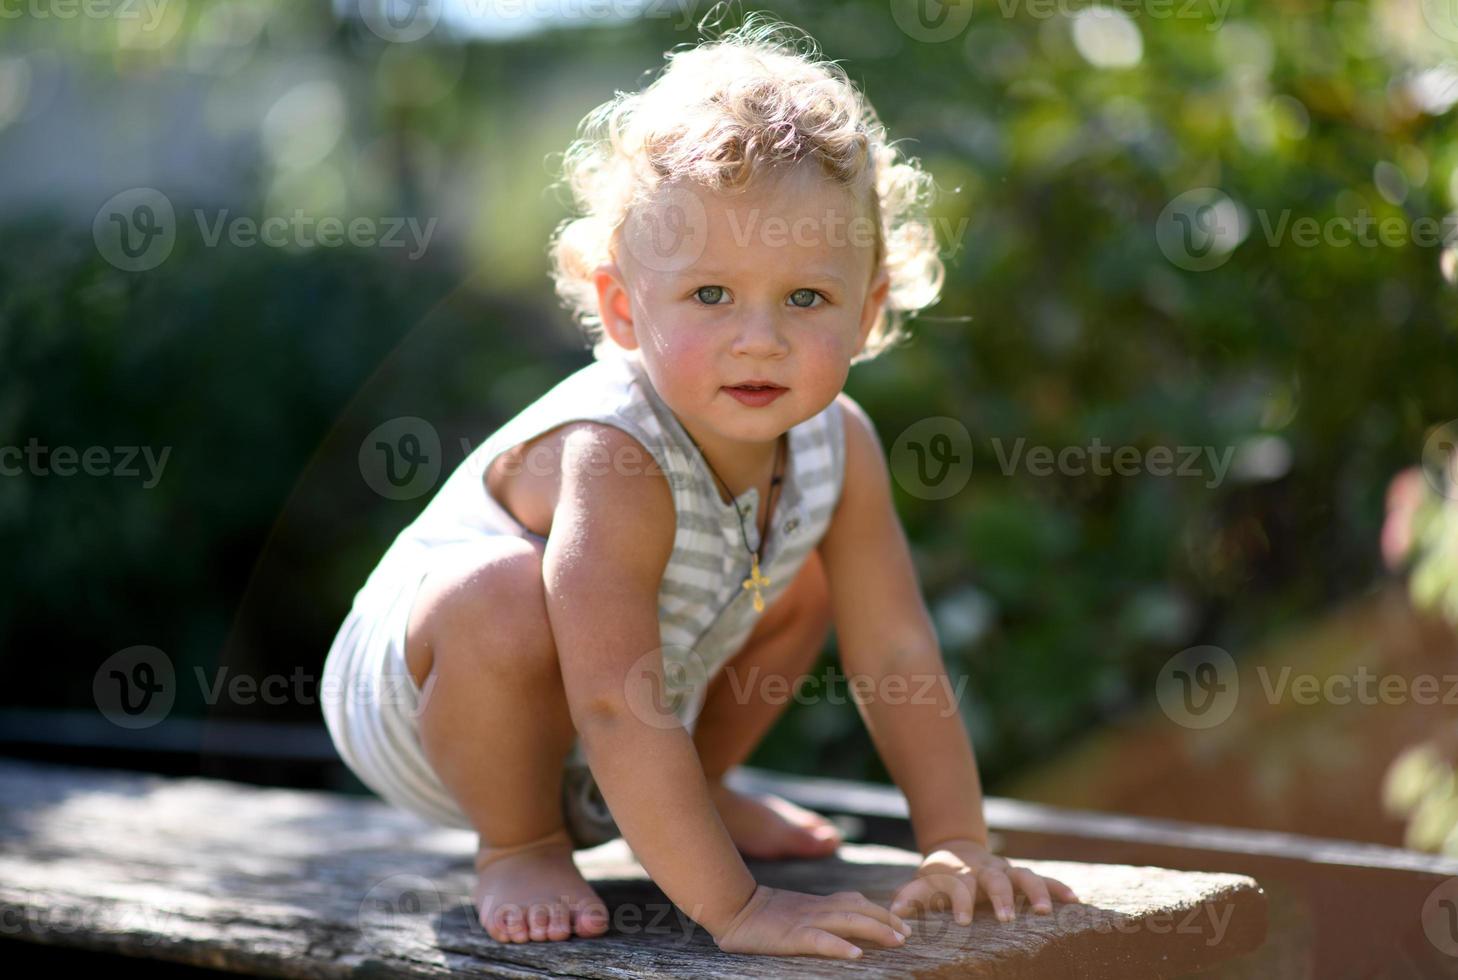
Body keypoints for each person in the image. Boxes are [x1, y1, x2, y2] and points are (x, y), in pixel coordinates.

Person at [321, 9, 1080, 959]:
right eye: (710, 295)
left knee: (800, 580)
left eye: (806, 297)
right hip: (431, 706)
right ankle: (518, 840)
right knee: (505, 596)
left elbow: (894, 652)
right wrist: (741, 908)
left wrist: (958, 845)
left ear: (867, 310)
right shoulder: (617, 454)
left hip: (634, 695)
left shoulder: (839, 444)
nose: (758, 337)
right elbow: (613, 703)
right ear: (623, 308)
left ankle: (695, 793)